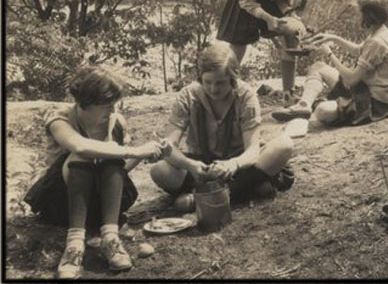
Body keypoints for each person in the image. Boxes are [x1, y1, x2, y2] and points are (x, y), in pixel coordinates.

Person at [23, 66, 171, 279]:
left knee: (110, 159)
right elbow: (80, 147)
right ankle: (74, 246)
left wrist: (142, 155)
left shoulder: (116, 122)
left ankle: (111, 239)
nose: (112, 111)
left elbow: (118, 171)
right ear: (86, 102)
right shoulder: (59, 119)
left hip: (102, 205)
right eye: (106, 106)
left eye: (114, 105)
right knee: (84, 155)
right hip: (63, 201)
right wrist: (134, 149)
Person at [150, 43, 295, 212]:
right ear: (200, 77)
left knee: (284, 145)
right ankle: (243, 191)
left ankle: (202, 199)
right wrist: (190, 165)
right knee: (159, 170)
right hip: (201, 168)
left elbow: (252, 151)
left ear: (233, 79)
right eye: (207, 82)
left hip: (238, 166)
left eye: (220, 83)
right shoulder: (187, 96)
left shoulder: (245, 96)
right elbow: (169, 147)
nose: (213, 89)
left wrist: (232, 165)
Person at [271, 0, 388, 126]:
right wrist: (333, 38)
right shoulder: (379, 31)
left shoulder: (376, 42)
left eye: (359, 14)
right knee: (318, 67)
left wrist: (329, 54)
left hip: (376, 103)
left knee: (322, 111)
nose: (357, 18)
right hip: (365, 90)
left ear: (368, 16)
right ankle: (303, 105)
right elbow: (358, 50)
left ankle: (322, 105)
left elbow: (352, 80)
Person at [216, 0, 318, 104]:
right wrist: (268, 19)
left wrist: (294, 21)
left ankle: (288, 96)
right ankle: (224, 93)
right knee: (238, 45)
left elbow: (285, 2)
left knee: (291, 35)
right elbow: (246, 1)